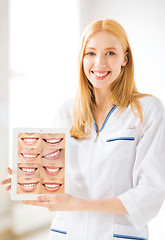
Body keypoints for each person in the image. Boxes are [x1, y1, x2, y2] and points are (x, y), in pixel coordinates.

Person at [1, 19, 165, 240]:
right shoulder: (66, 112)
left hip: (118, 235)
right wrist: (31, 181)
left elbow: (150, 193)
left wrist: (79, 204)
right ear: (82, 58)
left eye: (110, 53)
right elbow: (60, 180)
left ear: (125, 58)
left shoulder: (147, 110)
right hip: (68, 233)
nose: (99, 63)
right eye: (90, 53)